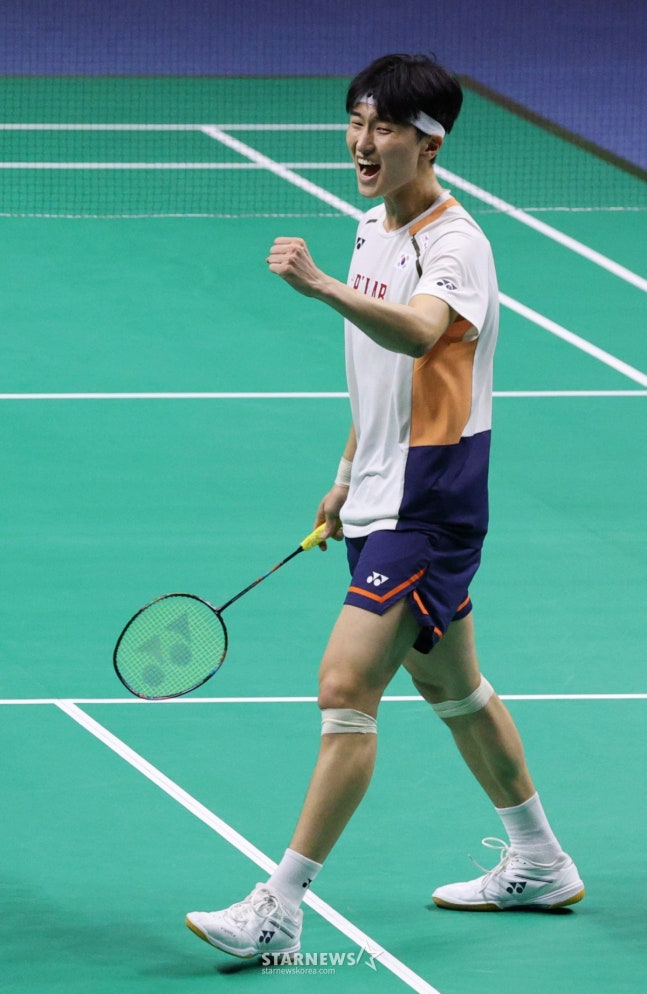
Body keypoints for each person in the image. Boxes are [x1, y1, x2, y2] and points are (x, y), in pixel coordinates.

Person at [185, 53, 584, 958]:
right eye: (356, 122)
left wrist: (318, 285)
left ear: (428, 140)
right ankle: (539, 860)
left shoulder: (457, 246)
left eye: (384, 128)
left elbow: (419, 331)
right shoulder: (371, 228)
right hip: (381, 489)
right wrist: (346, 471)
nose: (362, 143)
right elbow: (379, 375)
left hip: (431, 502)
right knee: (455, 689)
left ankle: (279, 906)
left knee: (343, 689)